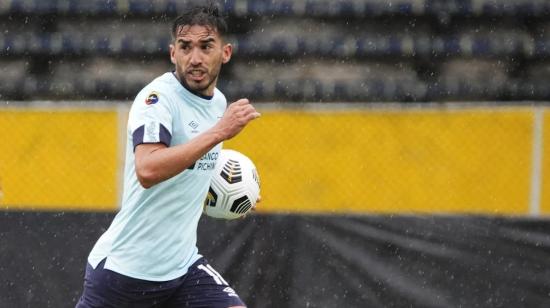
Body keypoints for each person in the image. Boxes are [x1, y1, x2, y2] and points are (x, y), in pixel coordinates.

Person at [76, 4, 260, 308]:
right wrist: (219, 132)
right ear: (173, 53)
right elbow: (147, 170)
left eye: (206, 46)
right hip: (124, 273)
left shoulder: (219, 104)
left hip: (181, 269)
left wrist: (236, 194)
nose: (195, 58)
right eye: (185, 47)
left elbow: (194, 167)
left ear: (225, 53)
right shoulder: (157, 100)